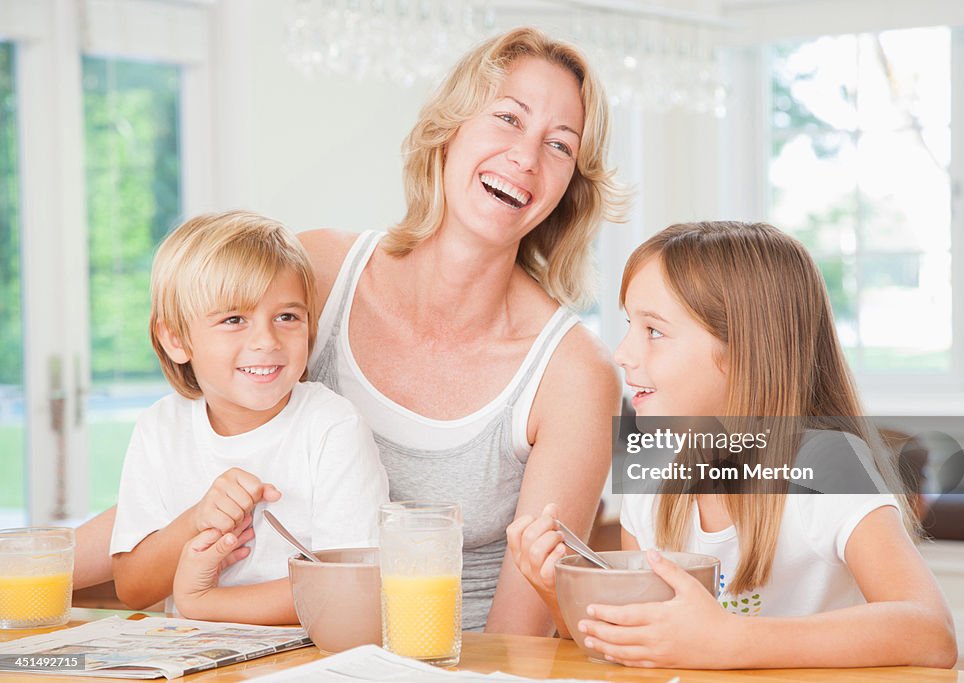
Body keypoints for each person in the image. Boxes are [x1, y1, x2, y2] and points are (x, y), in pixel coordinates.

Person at [507, 221, 958, 668]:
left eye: (654, 331)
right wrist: (557, 591)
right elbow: (638, 636)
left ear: (743, 351)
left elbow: (931, 632)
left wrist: (732, 640)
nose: (622, 352)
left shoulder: (827, 465)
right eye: (630, 325)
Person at [299, 27, 625, 634]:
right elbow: (197, 456)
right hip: (279, 656)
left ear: (569, 189)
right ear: (449, 129)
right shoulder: (316, 274)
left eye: (559, 145)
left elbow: (518, 640)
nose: (525, 159)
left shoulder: (574, 375)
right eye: (507, 118)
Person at [108, 210, 389, 624]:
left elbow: (351, 587)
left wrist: (204, 603)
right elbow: (132, 587)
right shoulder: (159, 429)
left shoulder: (330, 426)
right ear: (175, 339)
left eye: (287, 317)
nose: (266, 341)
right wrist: (196, 520)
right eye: (234, 319)